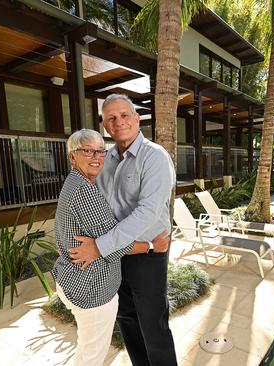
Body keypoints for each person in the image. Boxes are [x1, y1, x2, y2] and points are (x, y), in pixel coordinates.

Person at [70, 93, 178, 366]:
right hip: (116, 256)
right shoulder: (103, 160)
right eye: (111, 118)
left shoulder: (154, 157)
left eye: (124, 115)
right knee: (127, 319)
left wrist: (100, 246)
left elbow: (148, 212)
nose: (118, 122)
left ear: (136, 119)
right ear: (105, 126)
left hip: (148, 255)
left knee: (154, 326)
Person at [53, 129, 169, 366]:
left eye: (100, 151)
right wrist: (151, 246)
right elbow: (115, 245)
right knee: (91, 358)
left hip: (73, 279)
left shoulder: (76, 182)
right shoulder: (85, 192)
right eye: (87, 150)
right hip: (91, 289)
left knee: (87, 350)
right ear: (72, 157)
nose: (96, 156)